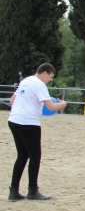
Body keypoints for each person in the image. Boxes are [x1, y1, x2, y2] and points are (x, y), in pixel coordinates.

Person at [7, 63, 67, 201]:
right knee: (35, 156)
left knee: (22, 155)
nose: (50, 80)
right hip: (28, 123)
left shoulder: (25, 81)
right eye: (51, 77)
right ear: (44, 73)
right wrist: (63, 104)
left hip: (14, 120)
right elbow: (51, 106)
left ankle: (13, 190)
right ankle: (33, 190)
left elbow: (12, 101)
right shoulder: (39, 84)